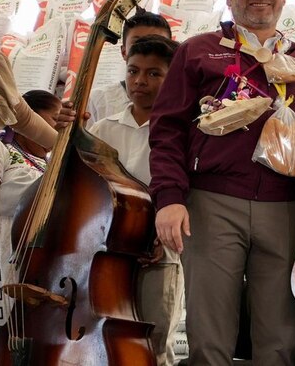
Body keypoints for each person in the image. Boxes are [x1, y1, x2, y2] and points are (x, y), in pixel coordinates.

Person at [149, 0, 295, 365]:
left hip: (285, 208)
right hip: (212, 205)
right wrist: (170, 198)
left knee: (281, 340)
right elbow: (166, 131)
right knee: (210, 338)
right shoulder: (199, 51)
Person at [88, 35, 180, 366]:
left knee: (153, 343)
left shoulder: (184, 133)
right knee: (102, 342)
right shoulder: (103, 129)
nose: (140, 81)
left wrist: (164, 236)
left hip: (159, 255)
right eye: (133, 71)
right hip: (104, 254)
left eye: (154, 73)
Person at [0, 90, 60, 331]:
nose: (57, 127)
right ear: (29, 120)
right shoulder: (0, 149)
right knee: (0, 320)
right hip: (2, 244)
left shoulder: (50, 163)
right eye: (53, 119)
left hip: (37, 252)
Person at [87, 9, 172, 124]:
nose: (146, 49)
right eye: (137, 43)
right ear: (124, 52)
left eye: (156, 43)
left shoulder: (184, 102)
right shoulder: (98, 100)